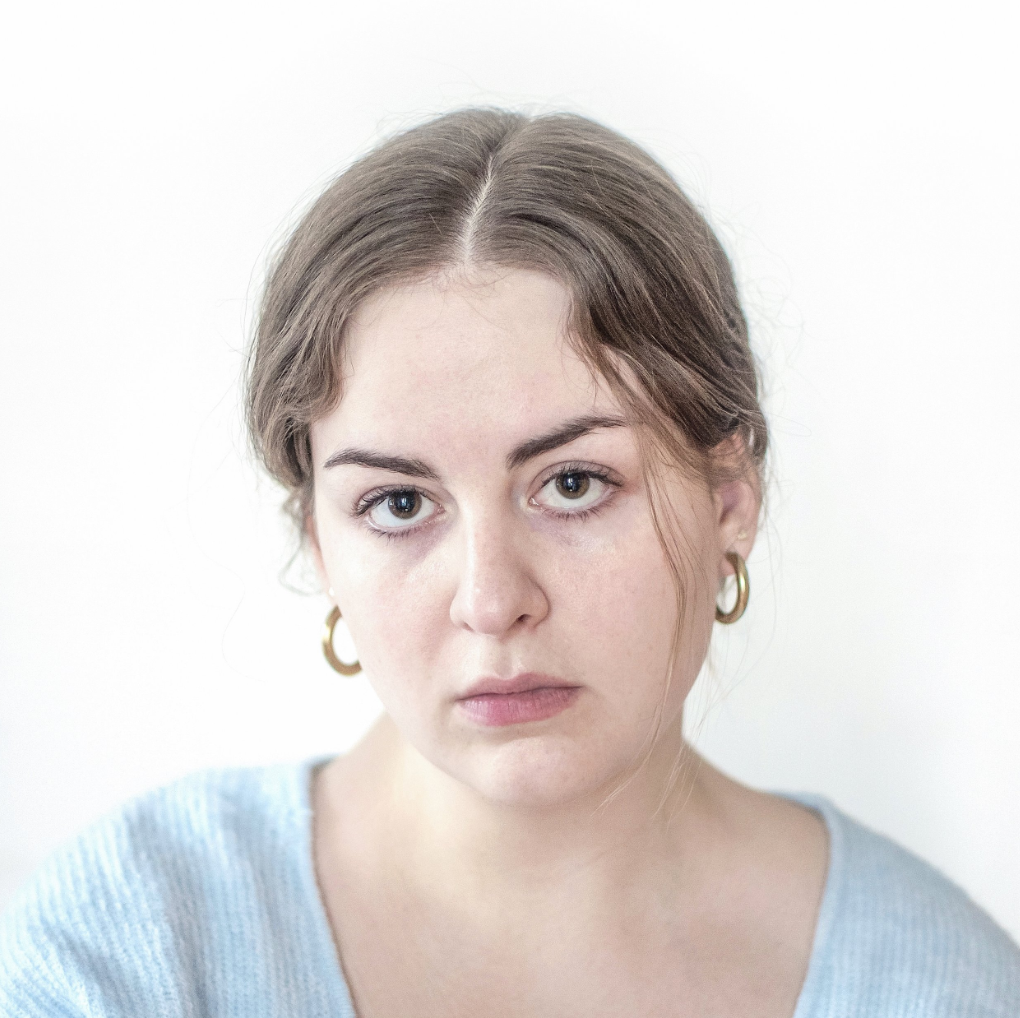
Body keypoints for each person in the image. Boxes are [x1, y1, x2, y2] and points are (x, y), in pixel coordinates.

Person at [1, 107, 1018, 1018]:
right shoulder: (132, 951)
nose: (492, 601)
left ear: (728, 500)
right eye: (398, 504)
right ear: (318, 540)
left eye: (574, 484)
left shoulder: (940, 986)